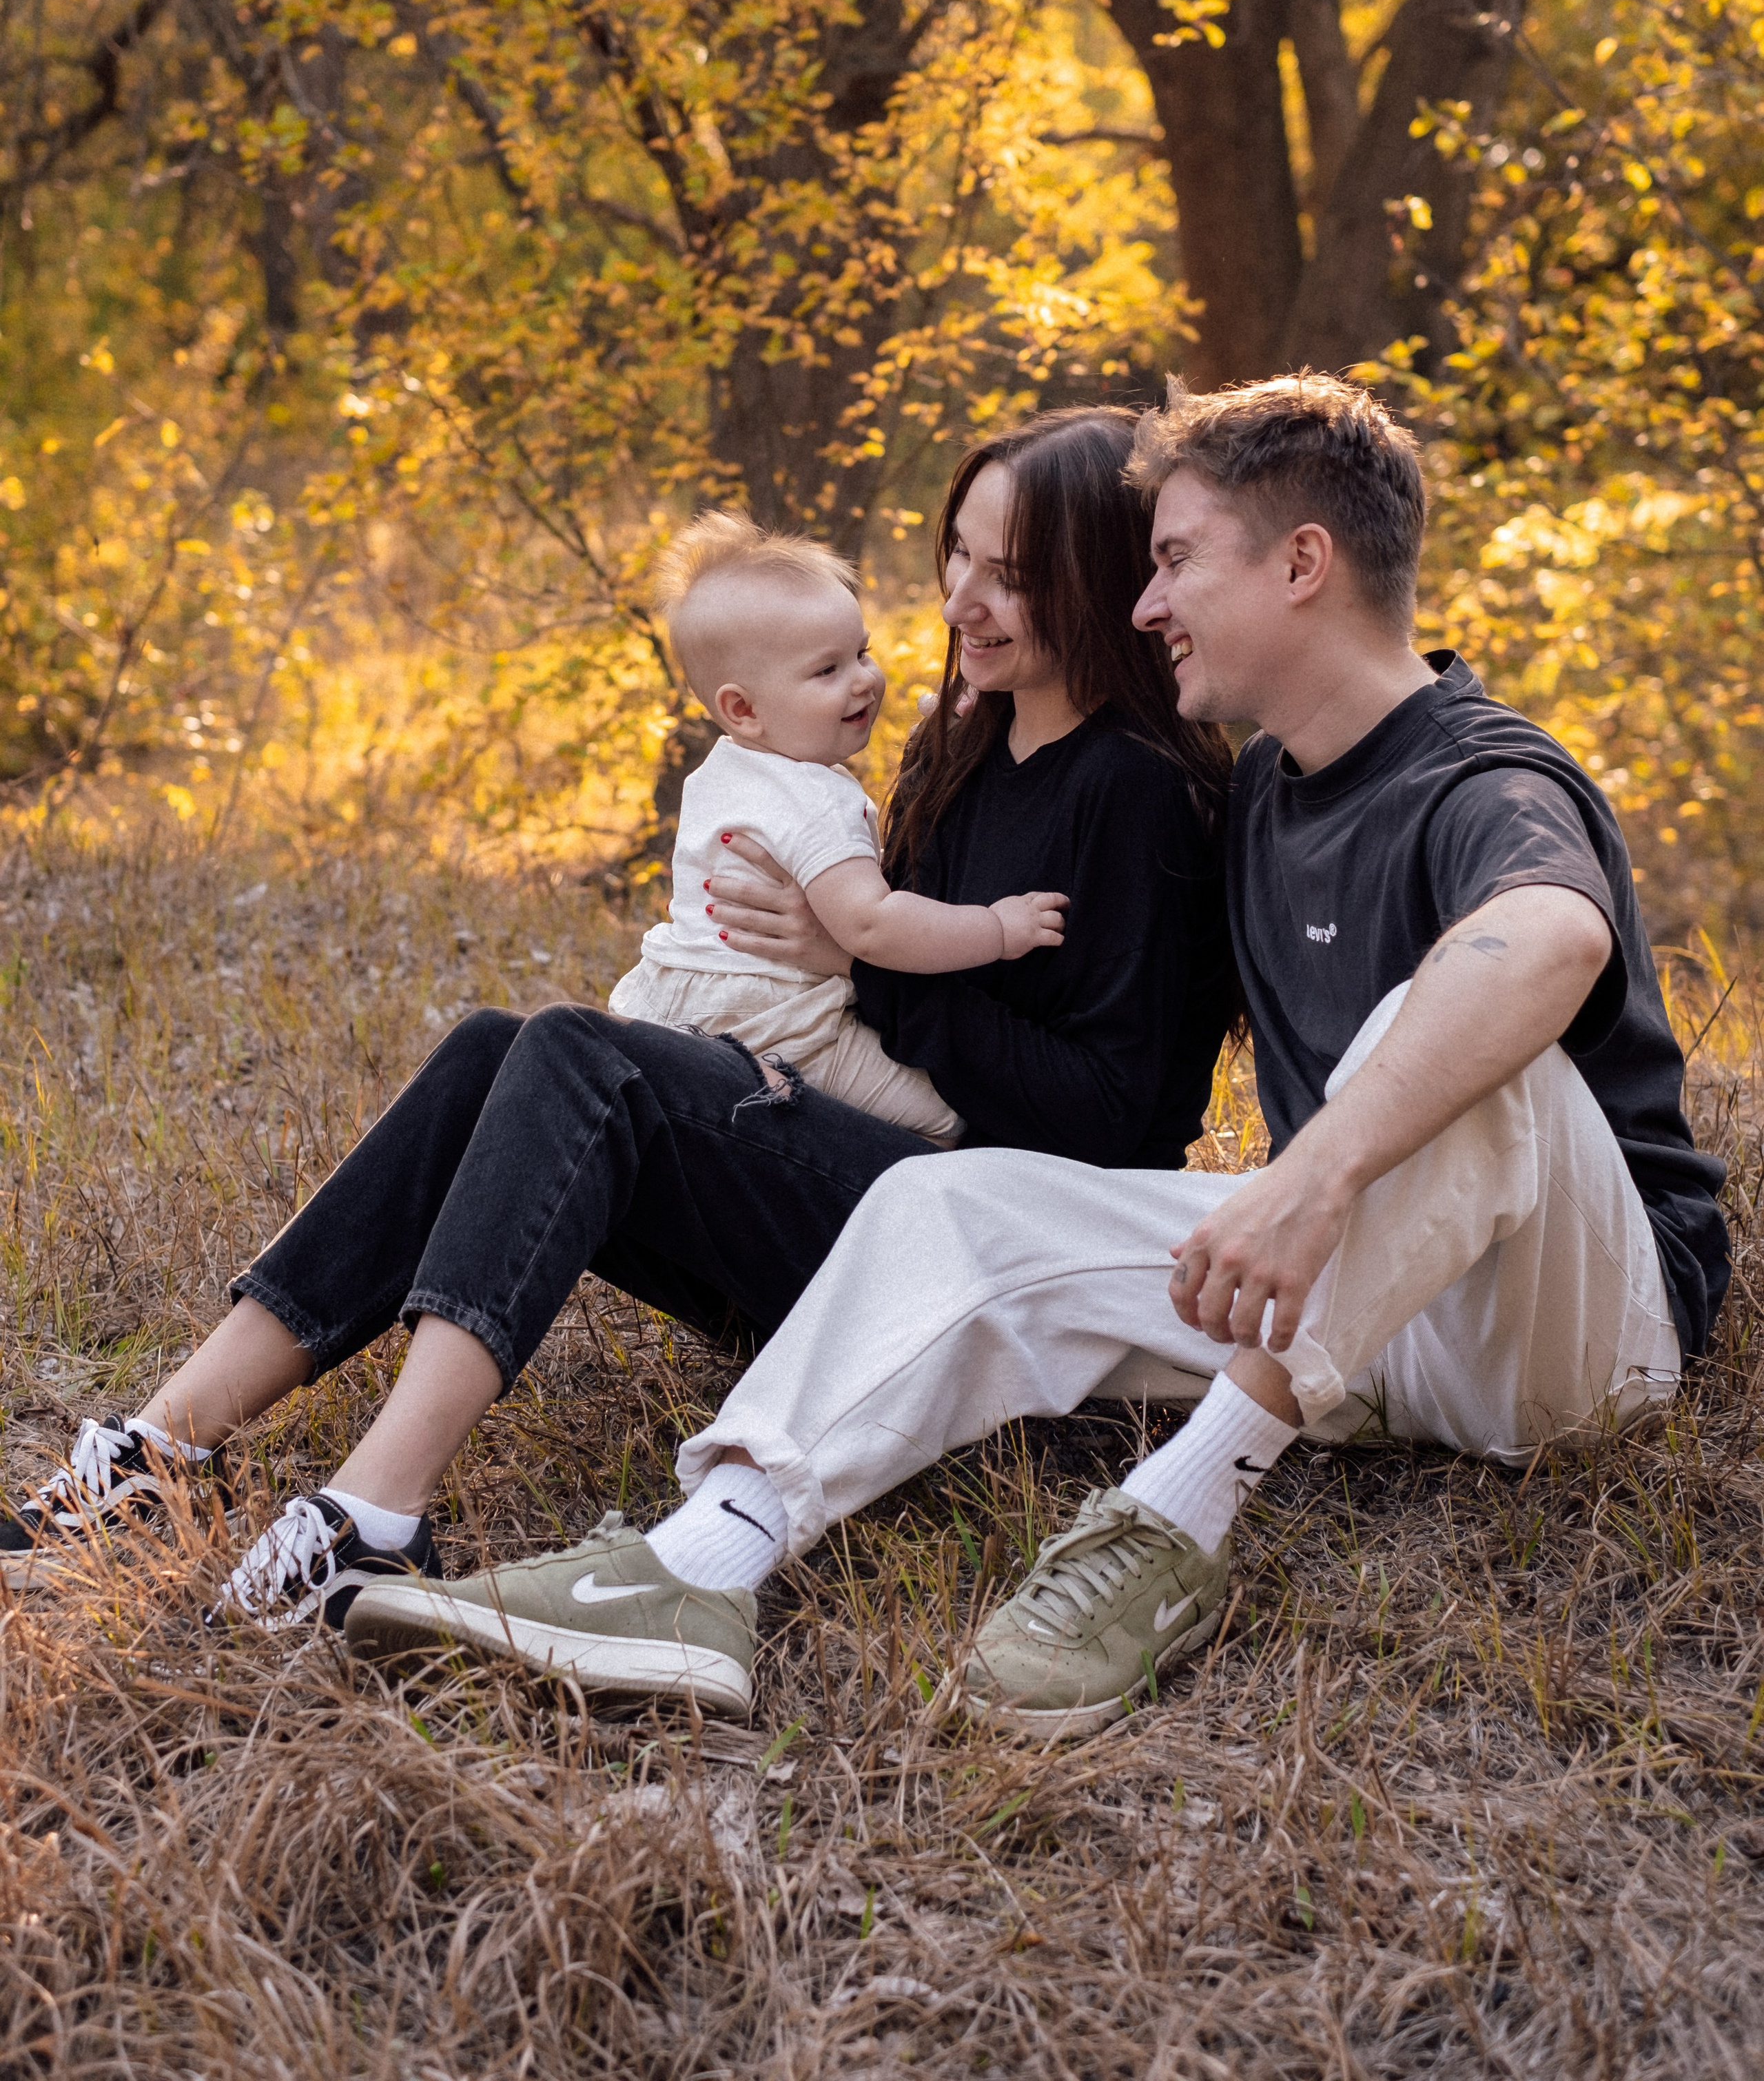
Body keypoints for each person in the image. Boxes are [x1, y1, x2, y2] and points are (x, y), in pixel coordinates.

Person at [345, 373, 1729, 1739]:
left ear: (1301, 563)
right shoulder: (1257, 797)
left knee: (1448, 1040)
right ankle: (696, 1563)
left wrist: (1315, 1171)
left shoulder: (1483, 775)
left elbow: (1545, 940)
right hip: (1355, 1324)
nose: (1143, 602)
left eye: (1176, 559)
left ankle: (1169, 1518)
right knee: (946, 1198)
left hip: (1572, 1331)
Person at [0, 407, 1235, 1649]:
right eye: (956, 552)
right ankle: (164, 1445)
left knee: (586, 1059)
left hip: (981, 1262)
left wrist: (865, 974)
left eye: (1011, 576)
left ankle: (374, 1513)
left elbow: (1111, 1128)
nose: (963, 597)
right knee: (505, 1042)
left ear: (1099, 581)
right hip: (864, 1180)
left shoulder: (1137, 794)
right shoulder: (963, 743)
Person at [606, 506, 1069, 1145]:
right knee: (952, 1118)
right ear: (742, 709)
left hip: (678, 1002)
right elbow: (873, 926)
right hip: (779, 1020)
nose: (864, 683)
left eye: (861, 653)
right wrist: (996, 928)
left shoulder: (723, 775)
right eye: (827, 671)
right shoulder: (816, 798)